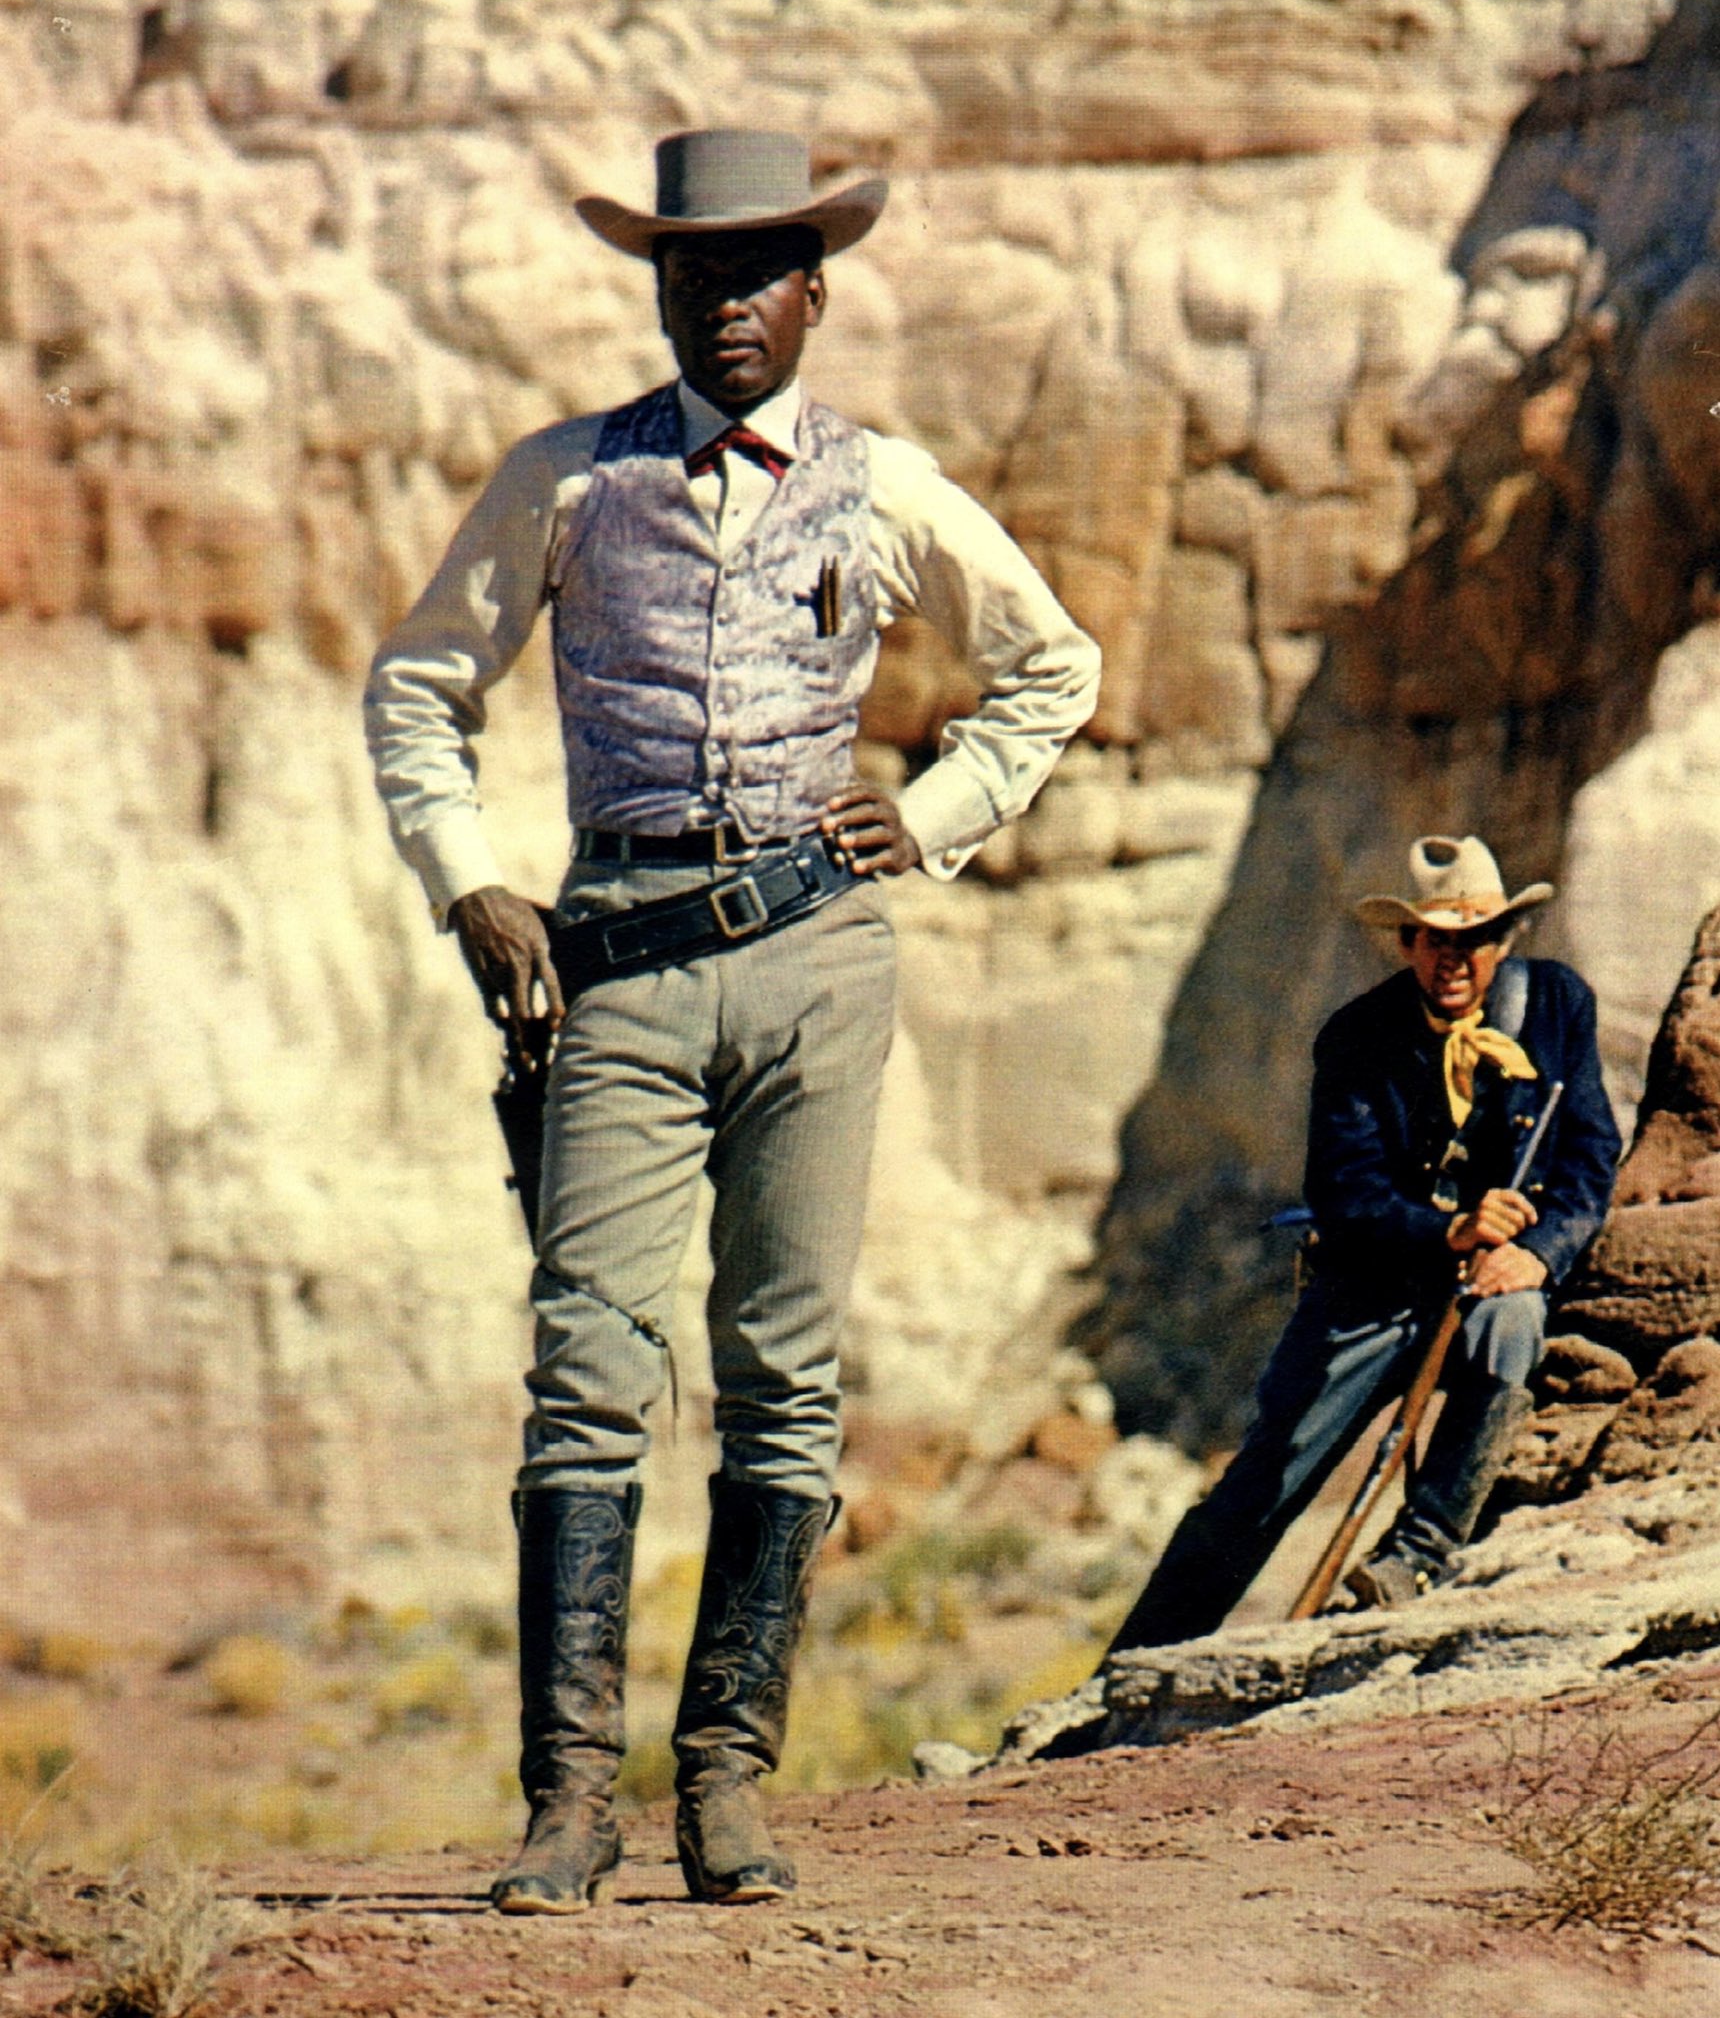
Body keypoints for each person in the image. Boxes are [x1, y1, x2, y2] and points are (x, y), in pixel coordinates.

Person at [363, 128, 1100, 1913]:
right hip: (611, 955)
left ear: (816, 292)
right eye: (696, 275)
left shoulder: (882, 480)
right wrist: (468, 876)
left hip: (818, 959)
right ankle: (564, 1801)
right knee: (590, 1371)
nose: (728, 305)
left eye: (760, 274)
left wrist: (927, 814)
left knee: (785, 1370)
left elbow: (1052, 662)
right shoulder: (567, 480)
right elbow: (419, 685)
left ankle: (728, 1788)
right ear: (660, 289)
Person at [1103, 834, 1620, 1657]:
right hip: (1371, 1292)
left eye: (1473, 940)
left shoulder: (1558, 1007)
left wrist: (1541, 1252)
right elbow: (1346, 1201)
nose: (1454, 960)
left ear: (1504, 941)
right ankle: (1130, 1673)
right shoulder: (1357, 1037)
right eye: (1435, 941)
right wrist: (1449, 1230)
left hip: (1491, 1280)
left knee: (1515, 1321)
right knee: (1264, 1481)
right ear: (1409, 942)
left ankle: (1417, 1552)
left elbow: (1591, 1159)